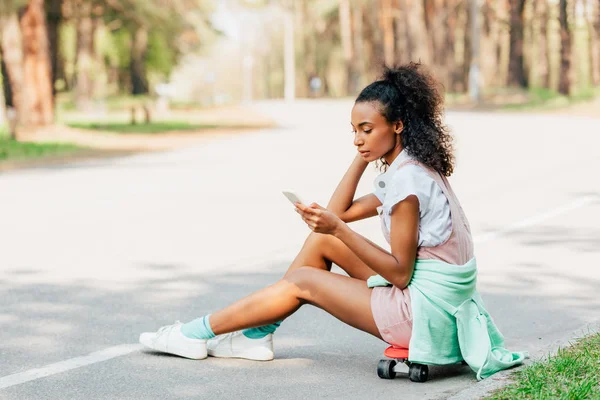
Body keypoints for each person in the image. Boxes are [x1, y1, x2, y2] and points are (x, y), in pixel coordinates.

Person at [139, 62, 526, 379]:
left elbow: (400, 274)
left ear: (398, 126)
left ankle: (195, 332)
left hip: (423, 313)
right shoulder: (409, 166)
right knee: (322, 242)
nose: (357, 139)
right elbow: (337, 214)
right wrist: (363, 156)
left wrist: (337, 227)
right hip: (434, 300)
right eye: (354, 131)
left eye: (366, 129)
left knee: (304, 280)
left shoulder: (408, 185)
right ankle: (257, 335)